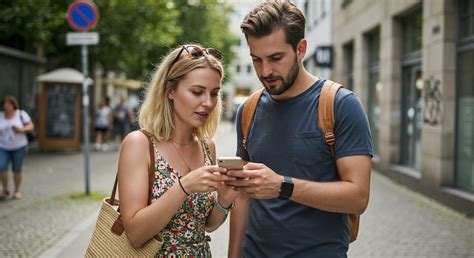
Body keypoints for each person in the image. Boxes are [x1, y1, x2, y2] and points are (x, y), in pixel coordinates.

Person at [226, 1, 374, 257]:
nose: (265, 71)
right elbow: (242, 196)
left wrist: (283, 185)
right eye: (256, 59)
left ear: (301, 49)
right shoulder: (247, 111)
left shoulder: (341, 105)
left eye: (275, 58)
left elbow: (358, 197)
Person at [118, 44, 239, 257]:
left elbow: (206, 226)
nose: (208, 103)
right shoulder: (140, 144)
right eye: (197, 92)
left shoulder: (207, 146)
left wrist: (224, 199)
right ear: (170, 90)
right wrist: (184, 187)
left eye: (214, 93)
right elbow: (135, 234)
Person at [0, 96, 34, 200]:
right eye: (5, 104)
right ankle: (5, 189)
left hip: (19, 147)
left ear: (14, 105)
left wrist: (21, 129)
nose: (6, 106)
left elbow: (31, 126)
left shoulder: (21, 114)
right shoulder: (1, 116)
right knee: (2, 167)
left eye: (9, 104)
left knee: (17, 169)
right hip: (3, 147)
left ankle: (17, 191)